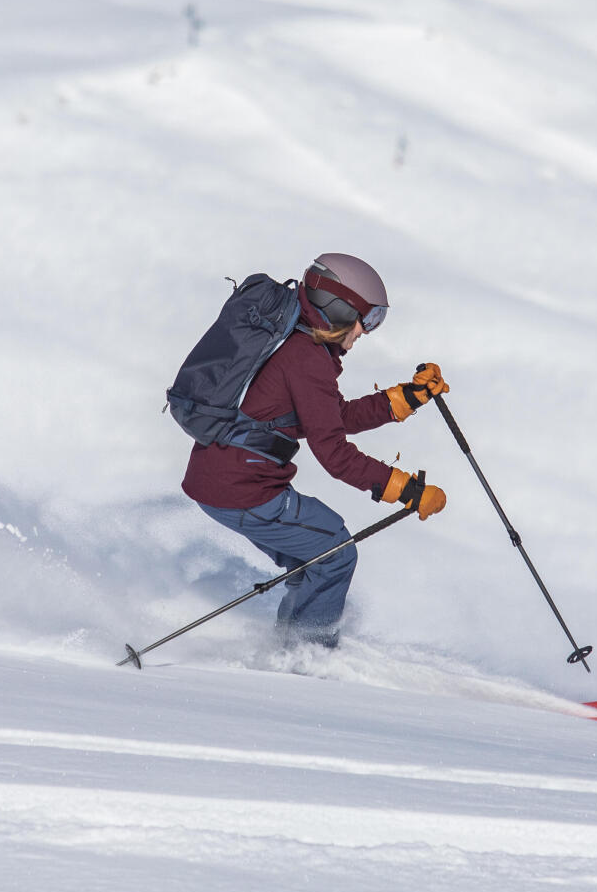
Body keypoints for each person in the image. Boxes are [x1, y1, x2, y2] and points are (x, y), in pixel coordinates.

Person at [181, 253, 448, 648]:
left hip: (222, 478)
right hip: (243, 487)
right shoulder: (305, 358)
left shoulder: (299, 347)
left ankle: (290, 651)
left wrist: (403, 400)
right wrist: (404, 489)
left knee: (317, 559)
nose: (365, 332)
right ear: (338, 309)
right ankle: (307, 657)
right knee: (335, 551)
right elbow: (334, 452)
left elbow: (329, 416)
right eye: (366, 319)